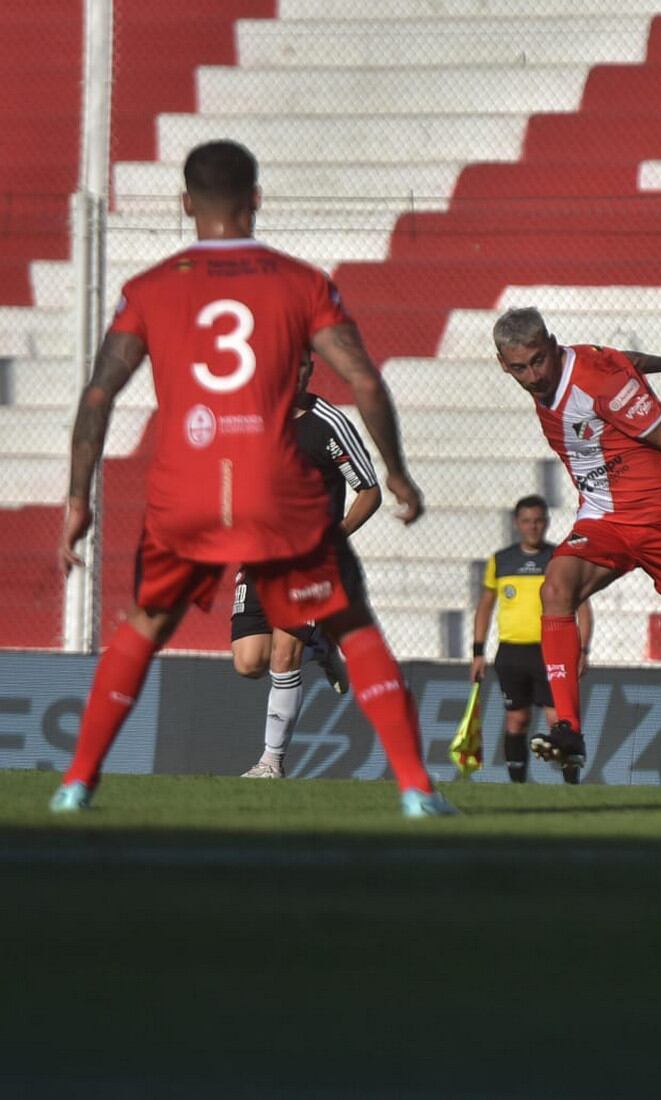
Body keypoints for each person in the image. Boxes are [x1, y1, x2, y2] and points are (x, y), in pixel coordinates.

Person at [51, 139, 452, 816]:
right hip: (276, 488)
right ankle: (416, 790)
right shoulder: (300, 282)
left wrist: (75, 498)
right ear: (256, 199)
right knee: (351, 625)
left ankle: (76, 783)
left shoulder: (148, 288)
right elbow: (361, 377)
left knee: (144, 625)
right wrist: (398, 474)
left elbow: (98, 396)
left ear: (185, 205)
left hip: (185, 486)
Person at [491, 307, 661, 779]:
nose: (533, 376)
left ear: (551, 345)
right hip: (604, 518)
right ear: (502, 364)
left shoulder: (591, 378)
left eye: (537, 362)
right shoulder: (575, 368)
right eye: (519, 368)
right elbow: (621, 359)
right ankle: (568, 728)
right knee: (555, 588)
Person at [235, 351, 381, 779]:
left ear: (310, 370)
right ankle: (321, 644)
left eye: (301, 365)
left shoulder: (328, 424)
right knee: (248, 664)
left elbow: (369, 490)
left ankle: (271, 762)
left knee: (284, 654)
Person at [470, 494, 593, 784]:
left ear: (547, 523)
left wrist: (583, 650)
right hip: (511, 653)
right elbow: (485, 606)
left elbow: (583, 607)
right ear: (517, 524)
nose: (533, 527)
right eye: (526, 521)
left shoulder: (559, 559)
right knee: (517, 720)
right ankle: (517, 787)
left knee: (558, 721)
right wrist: (478, 651)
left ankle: (571, 784)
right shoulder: (501, 561)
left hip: (551, 651)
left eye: (538, 521)